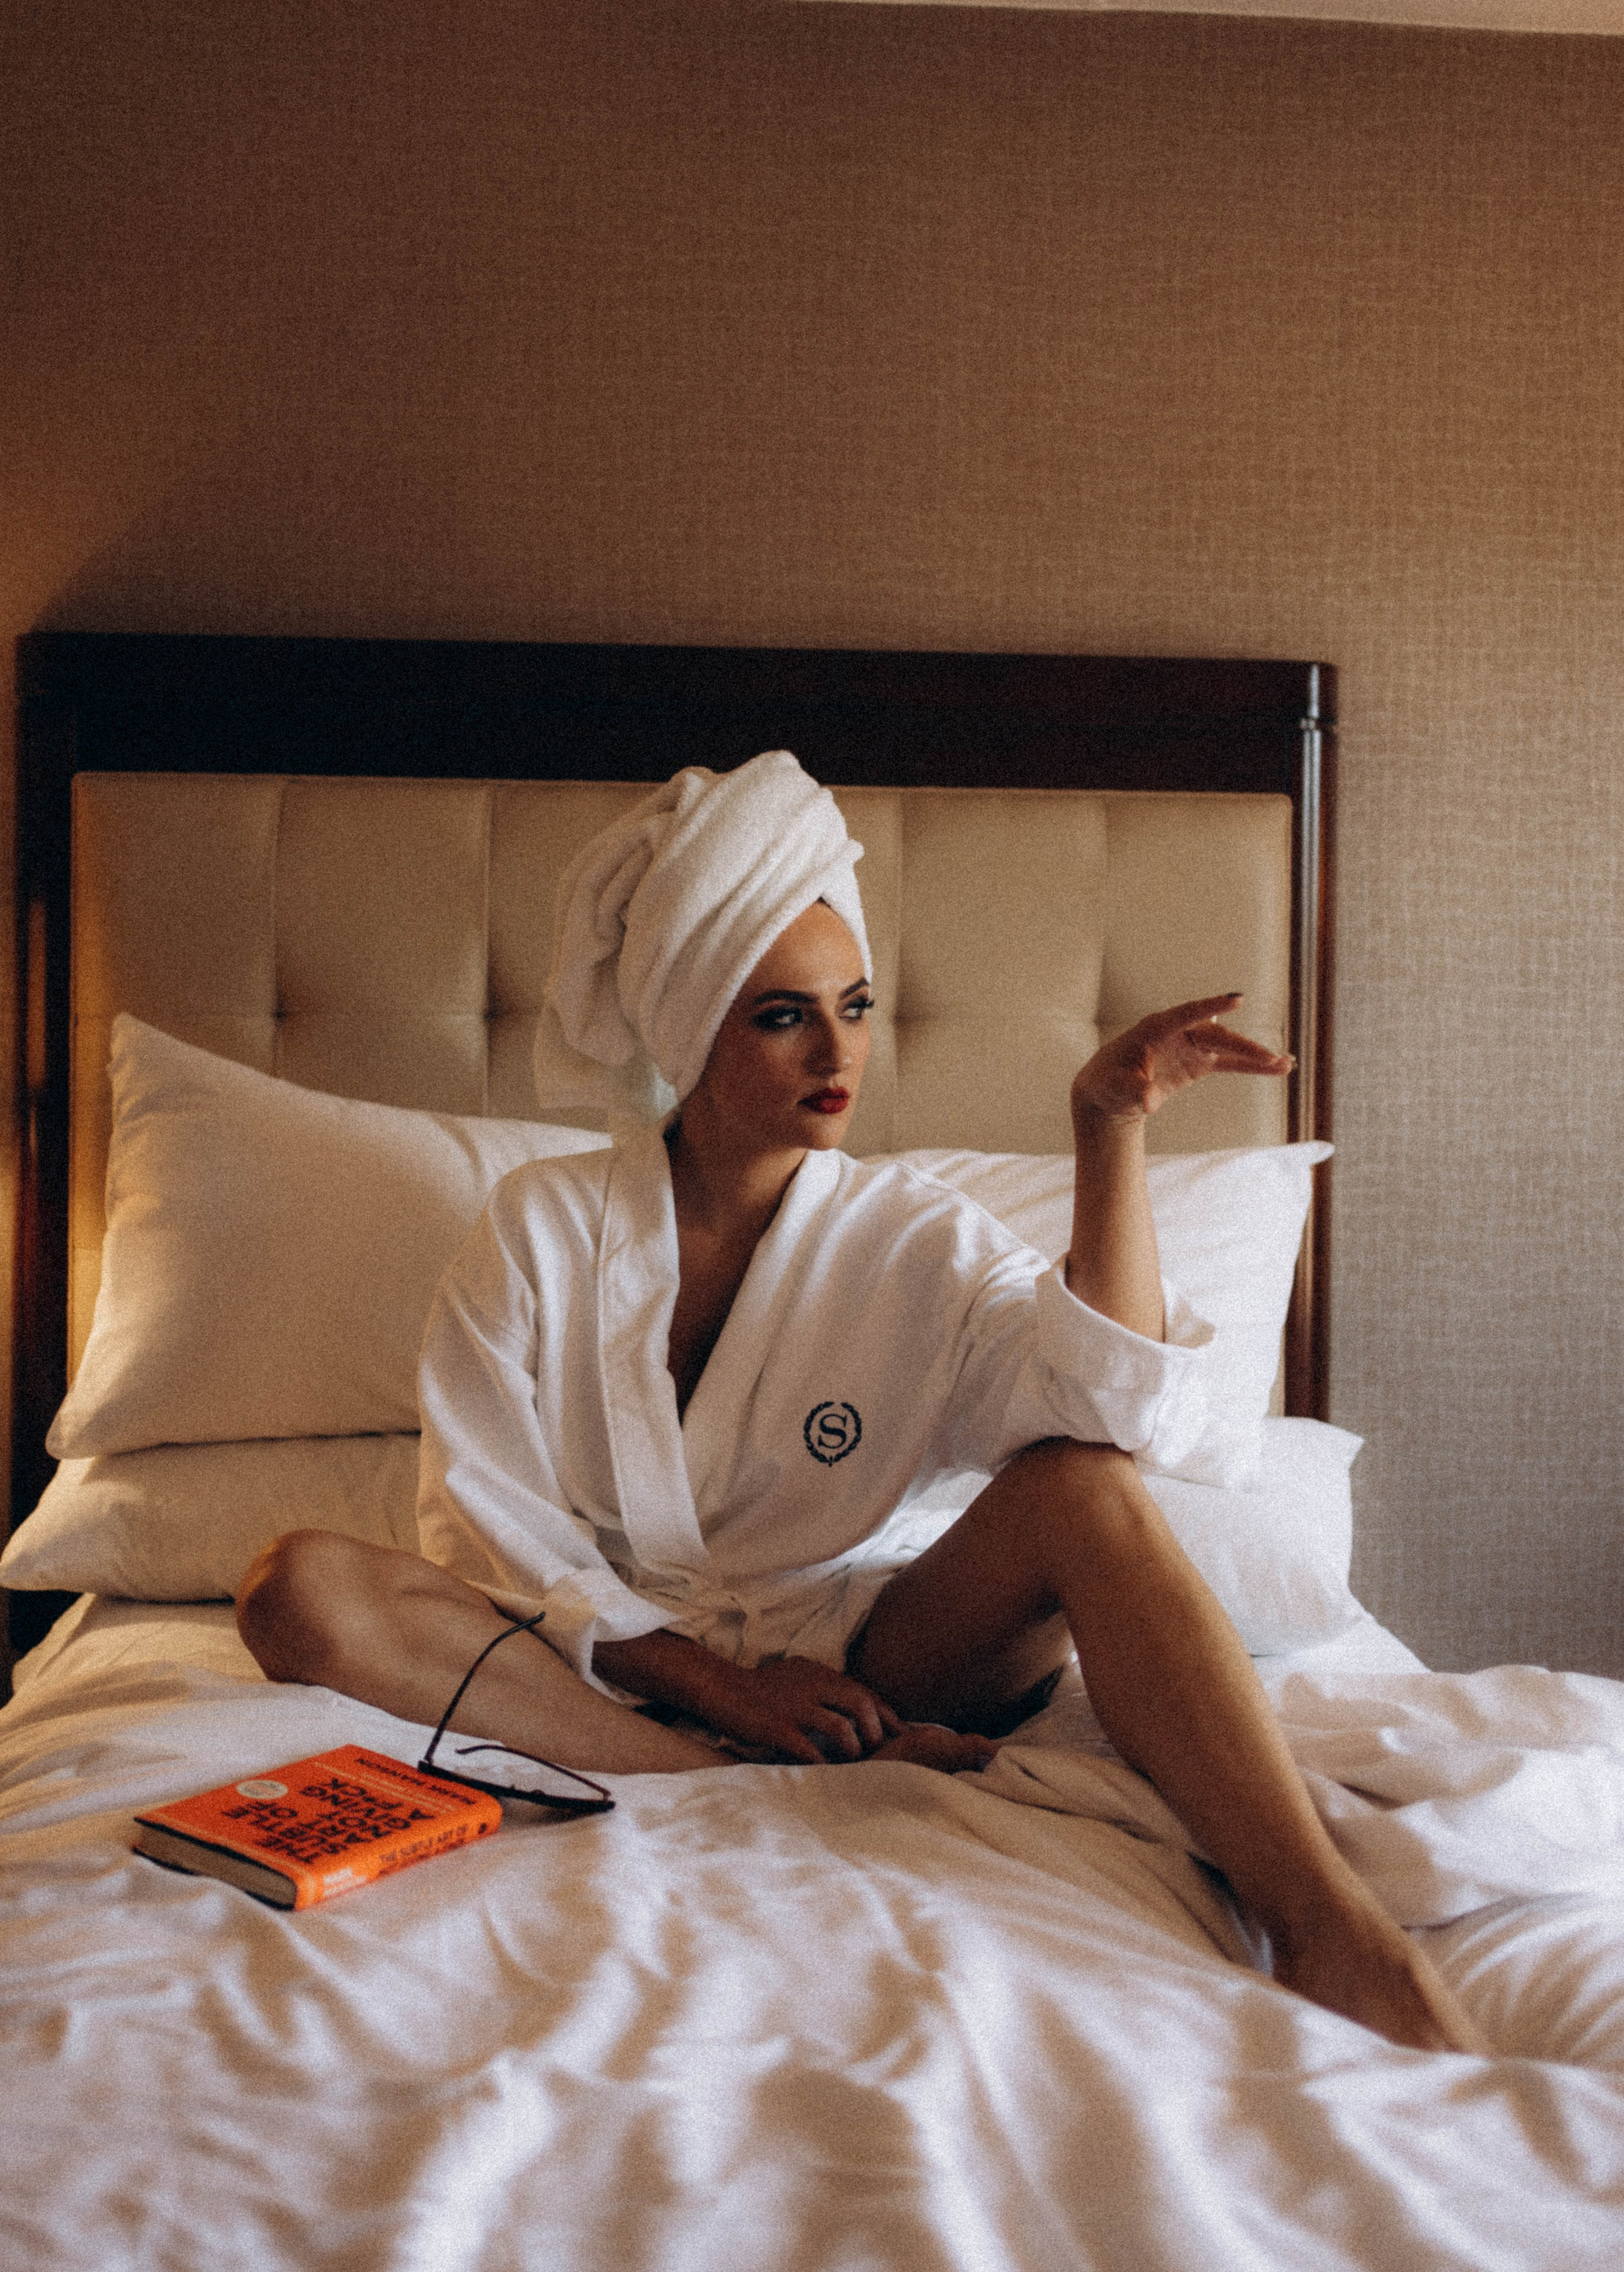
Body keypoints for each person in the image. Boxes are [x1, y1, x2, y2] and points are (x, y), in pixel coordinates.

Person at [239, 752, 1479, 2054]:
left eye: (855, 1005)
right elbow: (485, 1535)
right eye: (781, 1016)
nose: (838, 1053)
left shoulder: (908, 1240)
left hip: (865, 1667)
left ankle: (1335, 1928)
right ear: (686, 1029)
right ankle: (720, 1786)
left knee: (1083, 1489)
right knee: (291, 1584)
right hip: (595, 1672)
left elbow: (1102, 1405)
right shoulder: (541, 1231)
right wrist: (721, 1693)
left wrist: (1107, 1128)